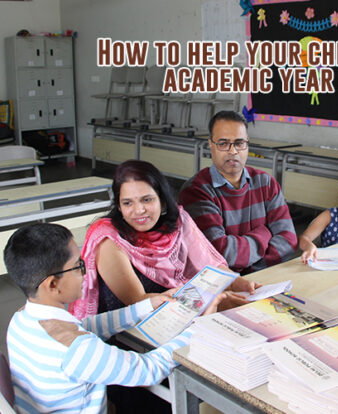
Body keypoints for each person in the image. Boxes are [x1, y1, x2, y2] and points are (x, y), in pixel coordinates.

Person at [4, 223, 228, 413]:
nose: (85, 273)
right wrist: (199, 328)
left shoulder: (21, 320)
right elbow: (148, 370)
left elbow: (88, 326)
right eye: (78, 266)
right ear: (52, 284)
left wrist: (147, 305)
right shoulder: (77, 350)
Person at [69, 159, 256, 319]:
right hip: (131, 331)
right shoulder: (109, 239)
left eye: (147, 200)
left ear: (163, 200)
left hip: (179, 314)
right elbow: (140, 302)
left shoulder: (179, 221)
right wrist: (215, 302)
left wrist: (237, 282)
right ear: (118, 206)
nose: (139, 210)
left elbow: (211, 265)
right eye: (127, 203)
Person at [178, 110, 297, 274]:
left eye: (239, 143)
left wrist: (247, 271)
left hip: (264, 280)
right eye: (223, 143)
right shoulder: (196, 191)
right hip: (222, 286)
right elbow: (220, 253)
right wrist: (264, 233)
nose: (233, 151)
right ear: (210, 145)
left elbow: (288, 240)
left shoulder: (266, 183)